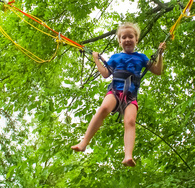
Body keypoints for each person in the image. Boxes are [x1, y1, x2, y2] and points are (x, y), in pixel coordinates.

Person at [71, 22, 166, 167]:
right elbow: (105, 74)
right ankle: (84, 142)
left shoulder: (142, 58)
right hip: (115, 91)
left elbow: (158, 70)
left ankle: (128, 156)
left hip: (130, 96)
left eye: (131, 37)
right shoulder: (115, 58)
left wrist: (160, 54)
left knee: (130, 121)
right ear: (120, 41)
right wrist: (97, 59)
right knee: (103, 109)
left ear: (136, 40)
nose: (127, 39)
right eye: (124, 37)